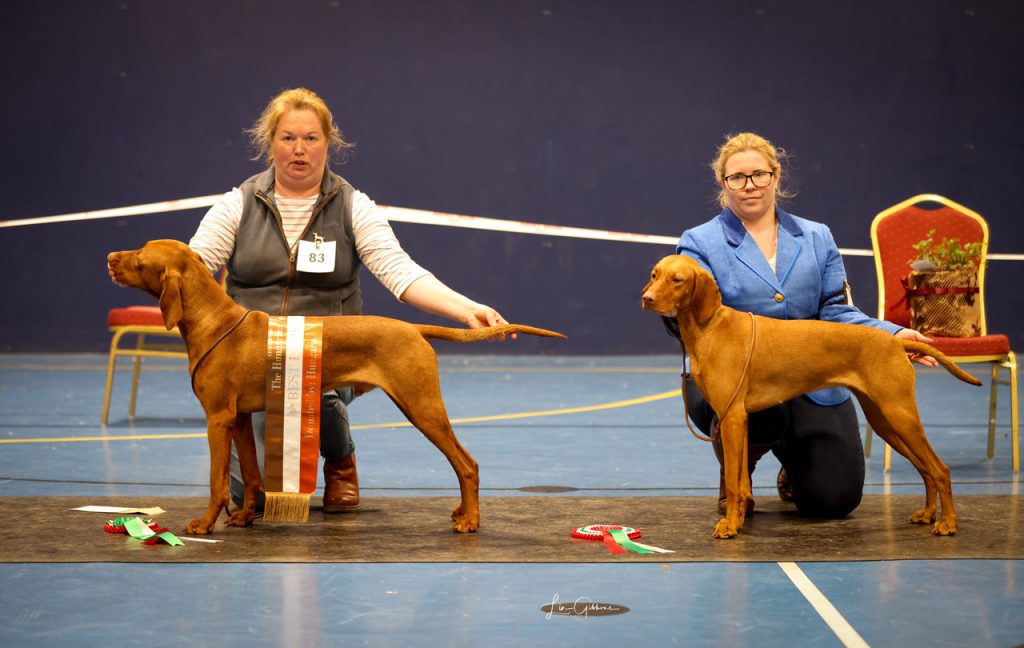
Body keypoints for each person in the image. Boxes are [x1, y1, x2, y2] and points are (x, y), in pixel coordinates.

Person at [186, 87, 513, 514]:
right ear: (270, 143)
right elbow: (193, 266)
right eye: (288, 138)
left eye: (311, 138)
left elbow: (399, 270)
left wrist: (464, 308)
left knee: (313, 389)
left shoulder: (354, 206)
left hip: (332, 351)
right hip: (252, 359)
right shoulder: (237, 205)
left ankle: (340, 461)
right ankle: (258, 482)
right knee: (257, 499)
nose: (299, 150)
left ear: (329, 143)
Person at [676, 132, 935, 519]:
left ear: (776, 177)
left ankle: (794, 468)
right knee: (758, 413)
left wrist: (892, 334)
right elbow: (688, 316)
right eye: (737, 178)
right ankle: (736, 481)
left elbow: (836, 310)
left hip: (812, 378)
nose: (749, 185)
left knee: (834, 500)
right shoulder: (699, 242)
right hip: (737, 377)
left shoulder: (817, 236)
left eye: (759, 175)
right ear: (723, 184)